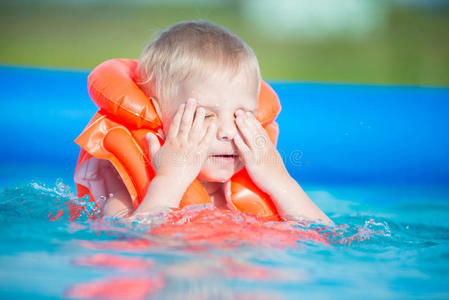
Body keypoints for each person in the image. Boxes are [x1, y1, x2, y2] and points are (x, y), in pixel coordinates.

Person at [76, 20, 332, 225]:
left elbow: (327, 239)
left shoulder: (254, 185)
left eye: (242, 115)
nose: (228, 132)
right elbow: (129, 244)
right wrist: (169, 180)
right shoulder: (118, 180)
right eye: (206, 115)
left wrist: (280, 183)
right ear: (157, 116)